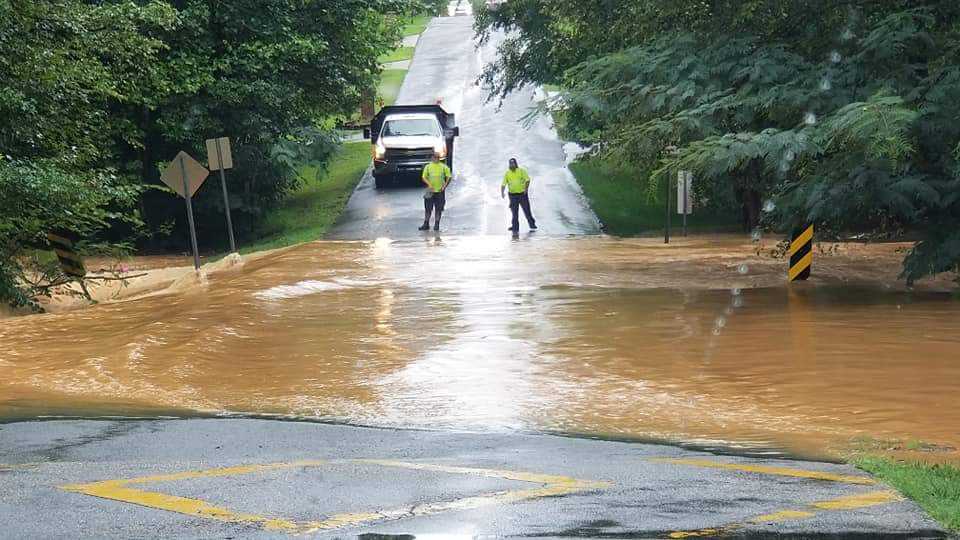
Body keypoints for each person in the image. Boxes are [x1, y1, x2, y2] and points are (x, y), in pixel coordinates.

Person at [500, 158, 537, 232]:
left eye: (513, 163)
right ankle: (515, 227)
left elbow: (527, 180)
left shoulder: (521, 171)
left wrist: (526, 189)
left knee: (527, 210)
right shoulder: (507, 173)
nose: (512, 165)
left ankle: (532, 224)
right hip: (512, 195)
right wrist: (502, 192)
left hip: (522, 194)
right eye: (510, 164)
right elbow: (503, 184)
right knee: (514, 212)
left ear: (516, 164)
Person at [420, 153, 452, 231]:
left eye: (437, 157)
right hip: (430, 191)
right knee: (428, 208)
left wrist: (444, 186)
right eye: (434, 157)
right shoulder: (428, 166)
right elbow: (424, 177)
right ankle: (426, 223)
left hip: (440, 191)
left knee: (438, 208)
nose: (436, 159)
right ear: (432, 158)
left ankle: (437, 224)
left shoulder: (443, 167)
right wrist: (429, 184)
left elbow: (449, 176)